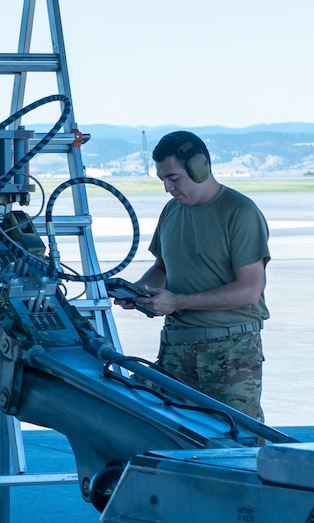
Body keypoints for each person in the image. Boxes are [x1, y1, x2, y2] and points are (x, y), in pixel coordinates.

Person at [114, 130, 271, 421]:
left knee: (237, 439)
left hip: (231, 353)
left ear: (200, 168)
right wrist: (137, 291)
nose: (168, 188)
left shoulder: (239, 212)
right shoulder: (172, 212)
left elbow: (249, 290)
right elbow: (162, 268)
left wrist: (177, 302)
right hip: (176, 350)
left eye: (173, 178)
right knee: (154, 428)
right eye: (163, 180)